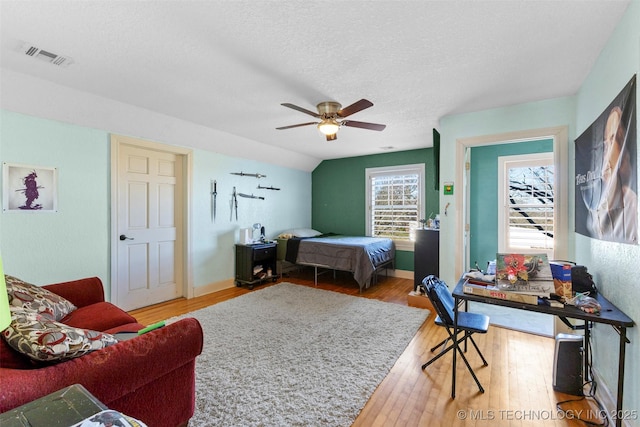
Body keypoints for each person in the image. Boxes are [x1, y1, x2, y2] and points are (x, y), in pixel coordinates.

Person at [594, 106, 638, 243]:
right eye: (606, 145)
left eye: (613, 141)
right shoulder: (602, 202)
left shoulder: (631, 203)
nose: (606, 155)